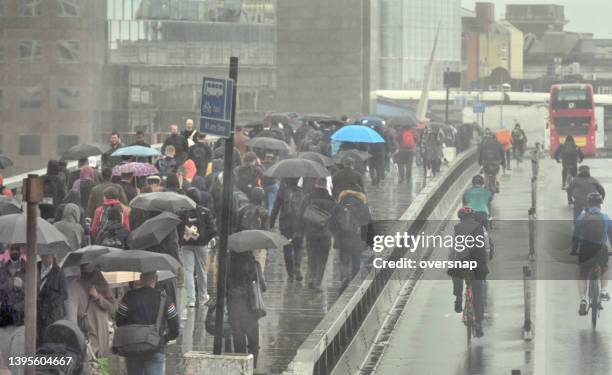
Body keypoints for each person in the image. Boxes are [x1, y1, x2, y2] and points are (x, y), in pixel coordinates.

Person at [116, 271, 179, 375]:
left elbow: (119, 321)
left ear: (140, 279)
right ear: (156, 279)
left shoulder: (129, 296)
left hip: (133, 348)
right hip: (156, 347)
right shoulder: (165, 299)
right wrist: (164, 338)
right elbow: (175, 328)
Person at [449, 207, 489, 337]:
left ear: (460, 218)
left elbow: (453, 248)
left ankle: (458, 297)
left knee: (456, 274)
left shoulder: (457, 229)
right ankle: (478, 323)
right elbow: (486, 247)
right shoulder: (481, 228)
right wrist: (485, 261)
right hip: (478, 266)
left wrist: (451, 261)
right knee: (478, 295)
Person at [68, 263, 115, 370]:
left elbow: (113, 307)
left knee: (103, 368)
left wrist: (98, 297)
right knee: (91, 368)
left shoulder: (102, 284)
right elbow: (72, 318)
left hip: (103, 338)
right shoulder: (75, 287)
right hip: (88, 338)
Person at [178, 188, 217, 309]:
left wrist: (181, 240)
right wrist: (205, 240)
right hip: (201, 245)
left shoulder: (182, 212)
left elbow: (178, 229)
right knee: (201, 271)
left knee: (188, 271)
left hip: (186, 244)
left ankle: (191, 299)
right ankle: (203, 297)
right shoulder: (205, 212)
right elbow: (213, 230)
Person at [573, 192, 611, 316]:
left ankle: (583, 299)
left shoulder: (582, 216)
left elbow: (576, 235)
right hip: (601, 249)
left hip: (585, 250)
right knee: (605, 267)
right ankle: (604, 290)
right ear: (600, 204)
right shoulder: (605, 216)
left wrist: (574, 250)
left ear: (588, 203)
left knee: (582, 273)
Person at [227, 250, 265, 367]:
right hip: (250, 306)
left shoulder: (227, 263)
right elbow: (263, 286)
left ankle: (240, 366)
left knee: (238, 338)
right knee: (253, 341)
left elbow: (223, 286)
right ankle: (252, 366)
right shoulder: (253, 264)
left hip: (233, 305)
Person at [299, 178, 336, 291]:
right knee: (322, 259)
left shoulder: (308, 197)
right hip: (325, 233)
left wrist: (301, 230)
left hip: (310, 233)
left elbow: (301, 214)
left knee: (312, 257)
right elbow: (335, 218)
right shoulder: (331, 199)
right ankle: (317, 282)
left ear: (316, 184)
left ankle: (311, 277)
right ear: (326, 186)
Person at [330, 190, 370, 290]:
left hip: (343, 237)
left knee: (343, 261)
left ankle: (344, 278)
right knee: (356, 262)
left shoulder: (340, 205)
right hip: (357, 239)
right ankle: (354, 283)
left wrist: (335, 233)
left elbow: (332, 221)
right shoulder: (363, 206)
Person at [270, 178, 306, 282]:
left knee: (287, 247)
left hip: (285, 224)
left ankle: (290, 274)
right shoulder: (302, 192)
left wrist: (271, 222)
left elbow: (275, 207)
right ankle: (297, 266)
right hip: (299, 224)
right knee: (298, 247)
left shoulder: (282, 192)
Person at [37, 254, 67, 345]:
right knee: (38, 341)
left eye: (48, 256)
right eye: (44, 255)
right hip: (38, 312)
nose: (45, 258)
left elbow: (64, 294)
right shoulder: (35, 268)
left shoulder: (59, 272)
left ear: (53, 256)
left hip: (53, 314)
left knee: (52, 340)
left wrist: (52, 303)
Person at [0, 245, 26, 327]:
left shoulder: (28, 268)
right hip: (6, 316)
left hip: (22, 316)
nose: (14, 251)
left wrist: (23, 285)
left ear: (21, 250)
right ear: (8, 250)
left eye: (17, 249)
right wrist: (10, 283)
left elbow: (35, 290)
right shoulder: (2, 269)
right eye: (12, 249)